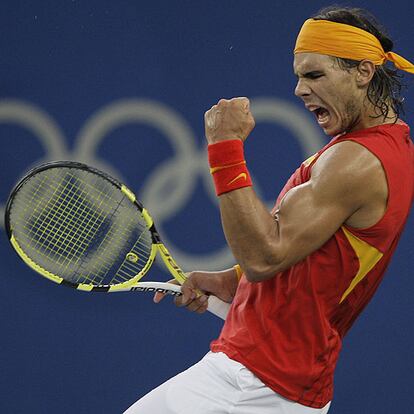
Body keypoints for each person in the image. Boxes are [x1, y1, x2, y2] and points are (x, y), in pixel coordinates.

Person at [124, 6, 414, 413]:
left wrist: (225, 146)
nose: (299, 89)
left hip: (257, 387)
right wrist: (236, 281)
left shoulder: (358, 161)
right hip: (264, 381)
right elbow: (306, 257)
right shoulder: (378, 146)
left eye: (315, 75)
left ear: (363, 72)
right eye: (298, 76)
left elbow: (264, 256)